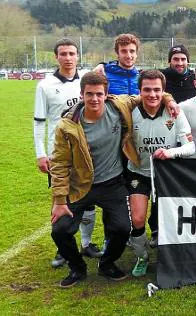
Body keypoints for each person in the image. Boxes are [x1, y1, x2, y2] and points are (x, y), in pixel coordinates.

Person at [49, 72, 140, 287]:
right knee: (59, 230)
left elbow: (149, 93)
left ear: (107, 94)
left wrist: (169, 100)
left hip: (113, 183)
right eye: (89, 94)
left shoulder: (119, 107)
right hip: (80, 185)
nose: (94, 99)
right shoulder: (67, 126)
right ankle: (77, 267)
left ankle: (107, 264)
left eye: (99, 94)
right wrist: (60, 201)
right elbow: (59, 164)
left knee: (121, 229)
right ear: (81, 95)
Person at [33, 38, 102, 268]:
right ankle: (62, 248)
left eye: (72, 53)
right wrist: (41, 153)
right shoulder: (44, 85)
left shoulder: (85, 81)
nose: (68, 57)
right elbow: (39, 122)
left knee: (87, 198)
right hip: (59, 153)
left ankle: (87, 242)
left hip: (84, 151)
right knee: (61, 197)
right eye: (63, 54)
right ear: (56, 57)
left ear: (77, 56)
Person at [126, 70, 195, 277]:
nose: (152, 94)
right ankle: (142, 257)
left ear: (164, 91)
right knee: (138, 219)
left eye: (157, 90)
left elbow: (191, 147)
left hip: (166, 174)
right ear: (139, 91)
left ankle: (170, 255)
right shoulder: (130, 112)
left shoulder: (175, 112)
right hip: (138, 172)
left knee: (170, 219)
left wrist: (170, 152)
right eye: (147, 90)